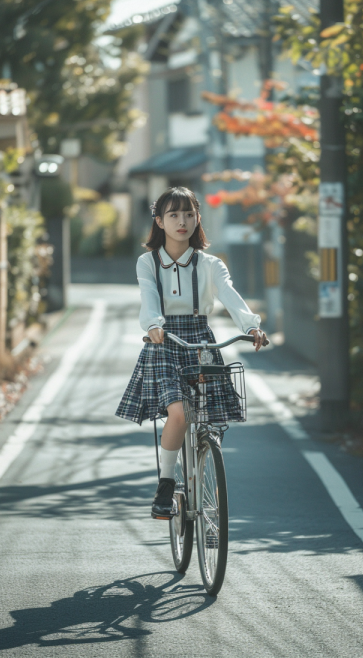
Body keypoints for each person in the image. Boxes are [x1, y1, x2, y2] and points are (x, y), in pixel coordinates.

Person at [115, 186, 268, 519]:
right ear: (159, 221)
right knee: (180, 414)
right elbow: (149, 296)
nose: (182, 221)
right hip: (164, 341)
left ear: (198, 218)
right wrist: (154, 325)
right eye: (173, 215)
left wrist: (251, 326)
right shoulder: (148, 262)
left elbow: (230, 296)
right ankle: (167, 483)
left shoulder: (211, 264)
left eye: (188, 214)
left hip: (200, 340)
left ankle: (208, 488)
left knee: (210, 421)